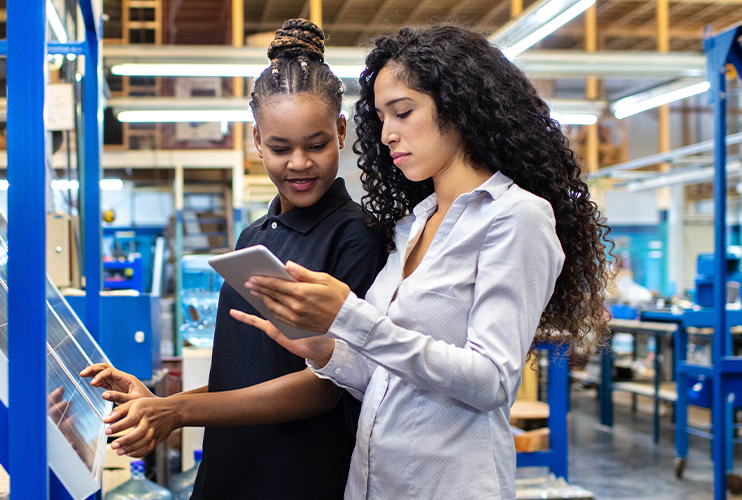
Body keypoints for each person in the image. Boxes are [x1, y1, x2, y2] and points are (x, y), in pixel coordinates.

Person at [232, 25, 614, 499]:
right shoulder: (413, 225)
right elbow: (385, 375)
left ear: (457, 106)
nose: (387, 134)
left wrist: (349, 316)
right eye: (381, 117)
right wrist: (324, 349)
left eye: (403, 112)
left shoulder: (515, 218)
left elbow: (492, 380)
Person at [80, 19, 386, 500]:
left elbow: (326, 385)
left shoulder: (357, 236)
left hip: (300, 481)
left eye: (317, 144)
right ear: (257, 141)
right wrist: (163, 403)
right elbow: (242, 378)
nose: (299, 163)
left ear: (342, 131)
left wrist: (177, 413)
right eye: (281, 148)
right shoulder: (254, 236)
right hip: (230, 475)